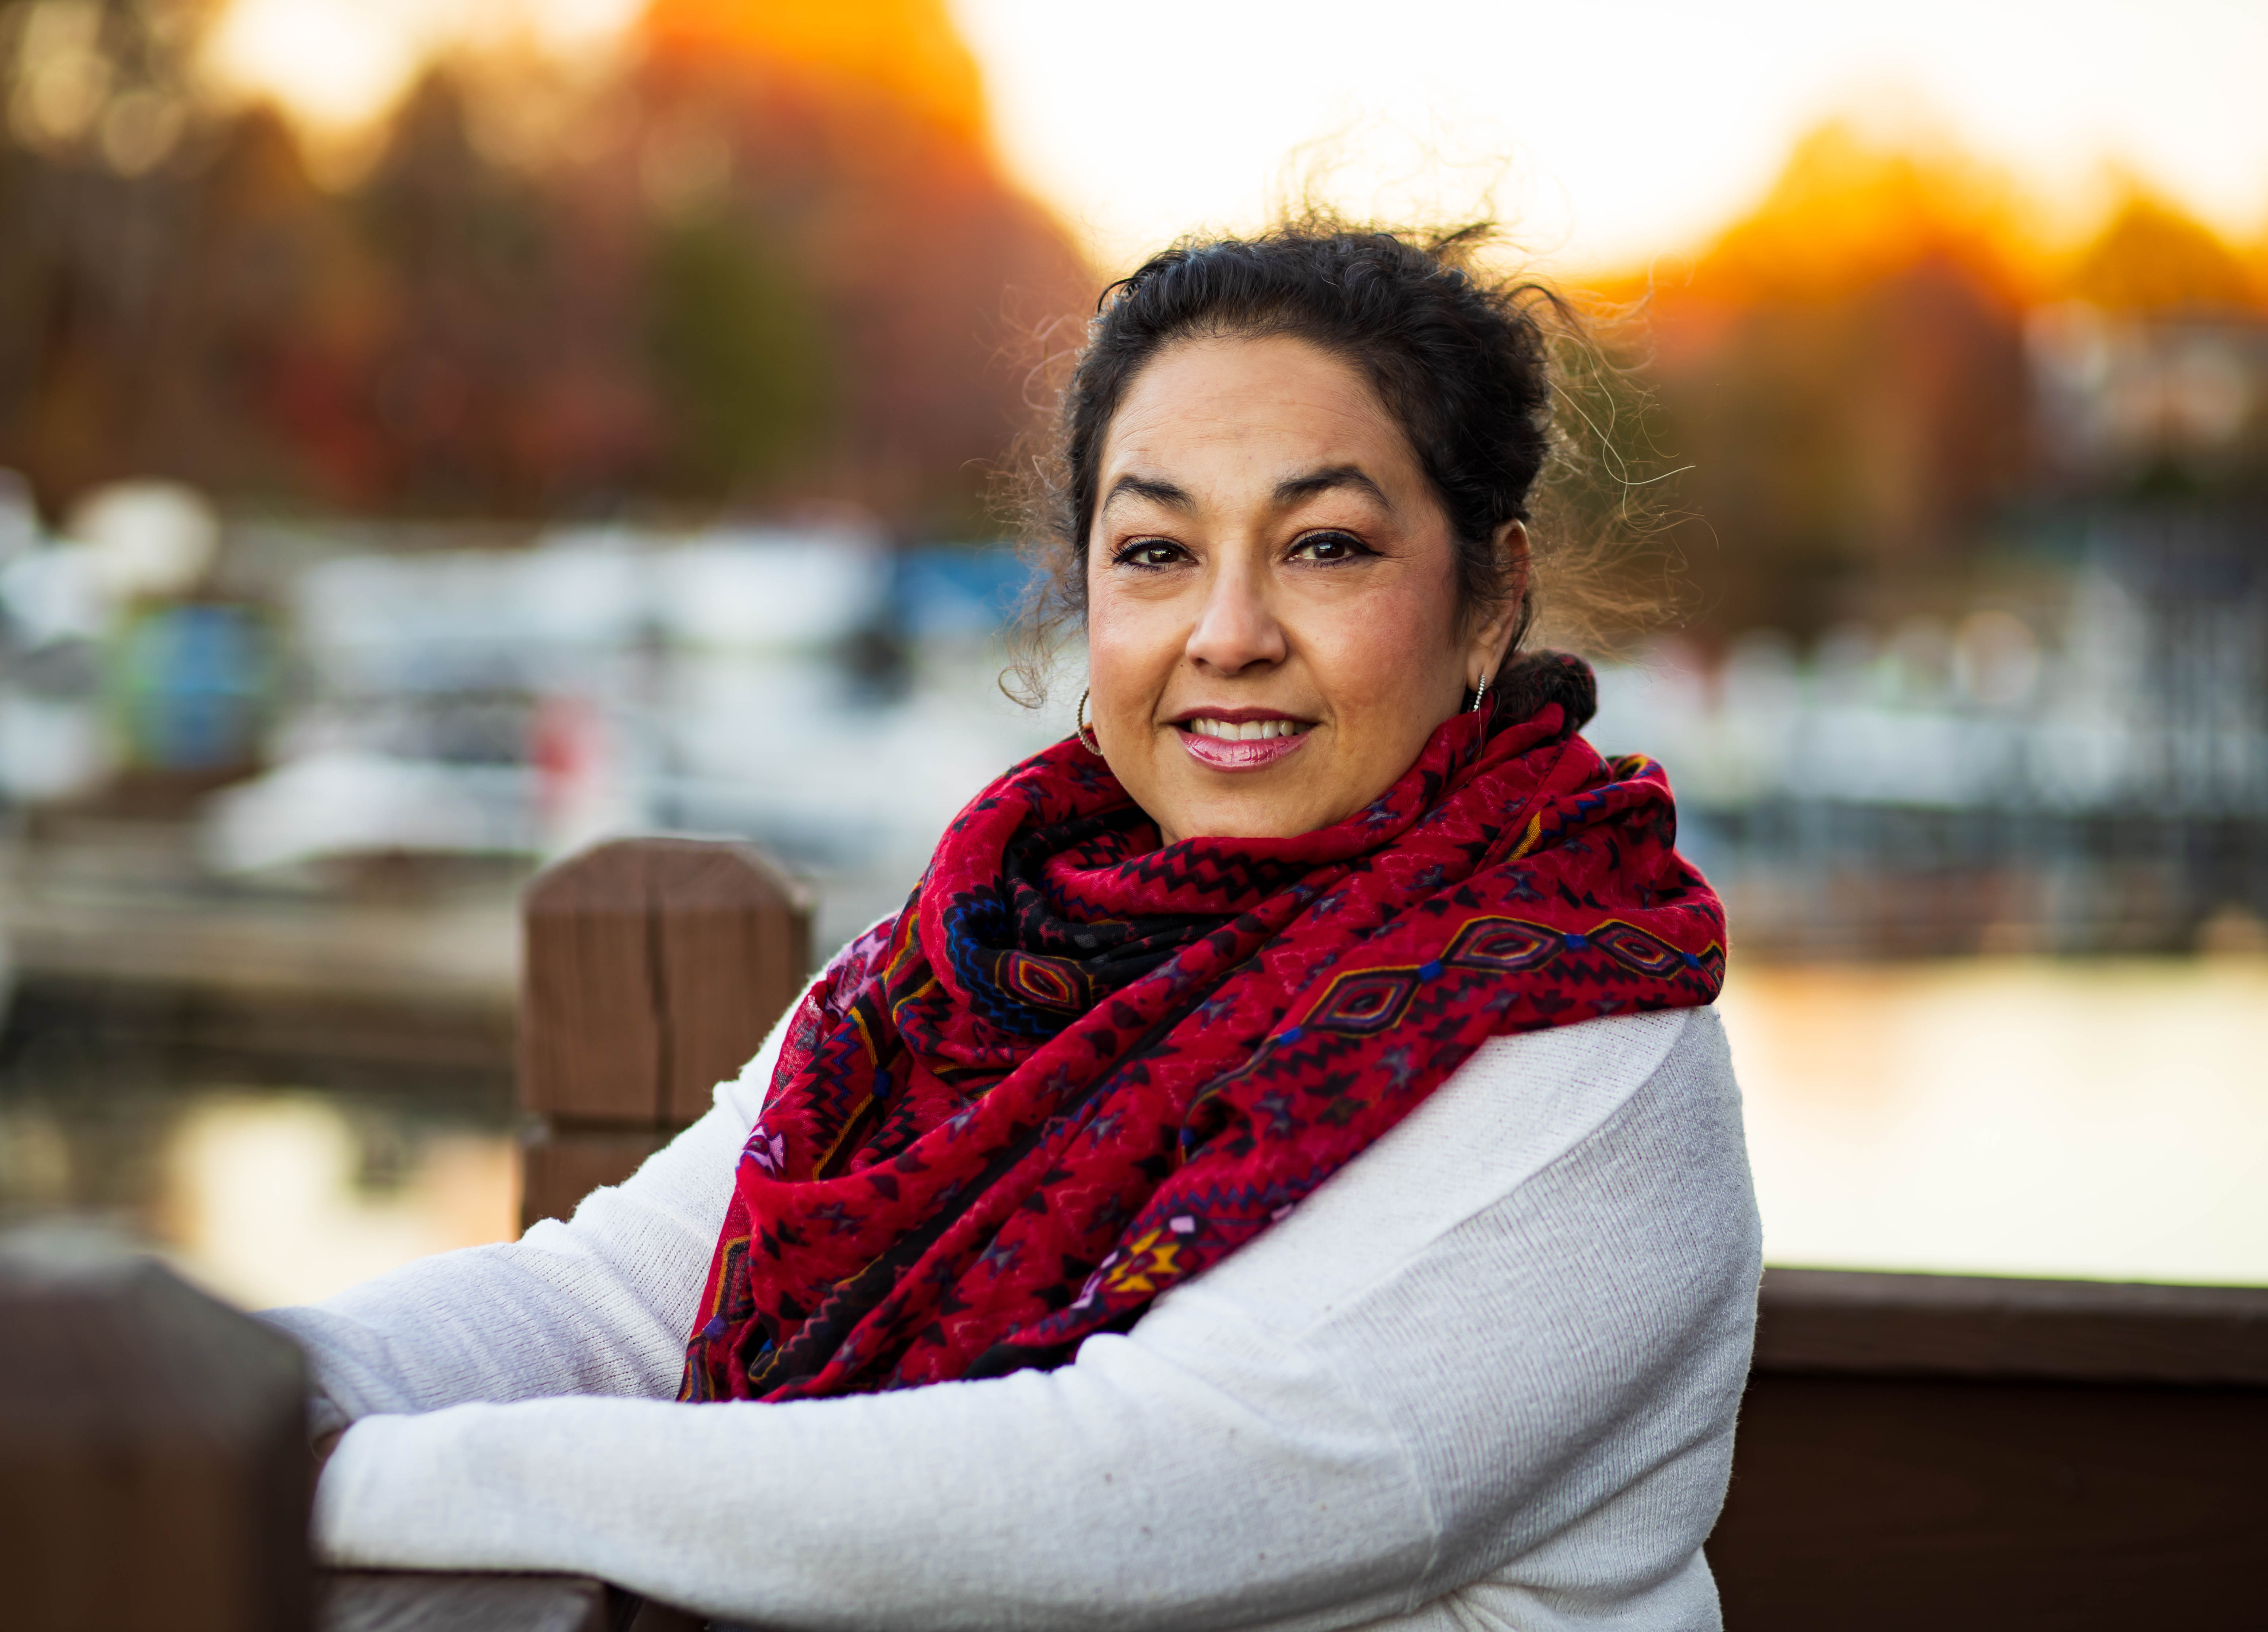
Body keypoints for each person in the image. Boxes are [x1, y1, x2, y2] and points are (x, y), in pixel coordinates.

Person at [265, 223, 1758, 1631]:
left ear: (1487, 603)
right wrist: (242, 1393)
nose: (1225, 631)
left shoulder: (1591, 1037)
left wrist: (336, 1485)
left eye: (1326, 548)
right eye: (1157, 553)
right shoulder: (978, 960)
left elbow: (1138, 1491)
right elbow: (613, 1303)